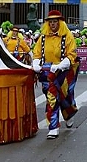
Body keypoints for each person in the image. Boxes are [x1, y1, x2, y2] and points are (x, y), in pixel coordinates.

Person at [32, 10, 79, 139]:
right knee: (52, 98)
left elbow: (72, 54)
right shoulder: (42, 38)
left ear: (60, 22)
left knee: (65, 97)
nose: (53, 24)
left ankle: (69, 114)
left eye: (55, 21)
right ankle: (53, 127)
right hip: (47, 73)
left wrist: (61, 64)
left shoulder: (68, 36)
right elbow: (37, 54)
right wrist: (36, 63)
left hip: (63, 71)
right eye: (50, 22)